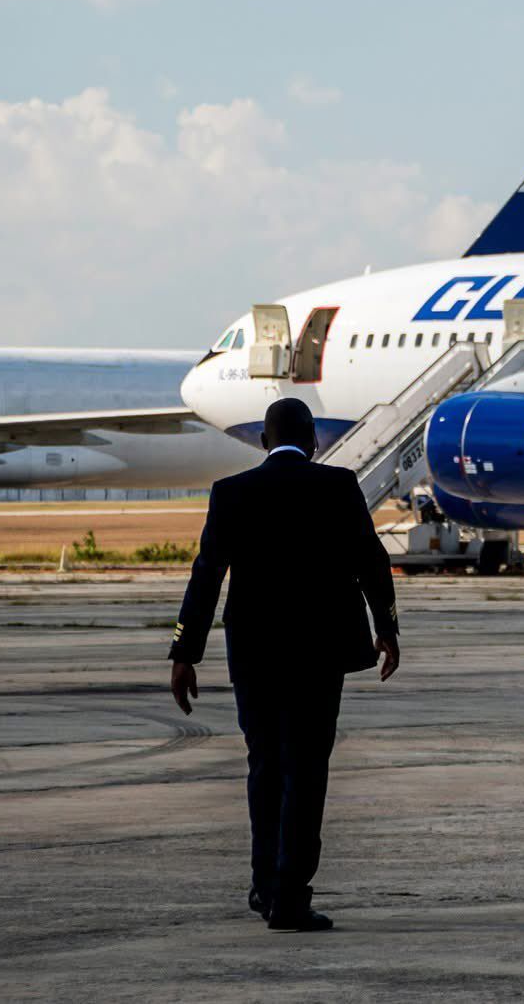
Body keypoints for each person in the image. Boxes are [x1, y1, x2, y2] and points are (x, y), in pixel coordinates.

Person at [167, 397, 401, 933]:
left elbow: (206, 574)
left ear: (264, 441)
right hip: (320, 656)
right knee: (306, 770)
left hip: (255, 655)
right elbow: (373, 562)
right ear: (314, 439)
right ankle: (290, 894)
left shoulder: (232, 492)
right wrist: (386, 629)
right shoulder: (338, 485)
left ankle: (264, 882)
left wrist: (185, 651)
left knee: (264, 764)